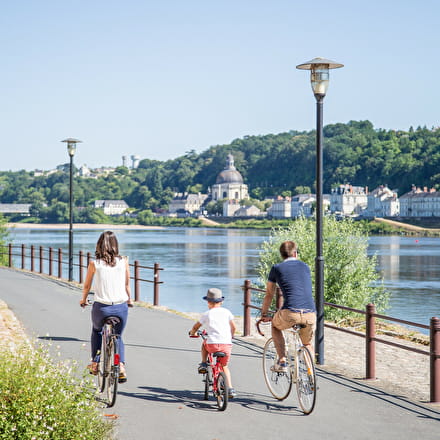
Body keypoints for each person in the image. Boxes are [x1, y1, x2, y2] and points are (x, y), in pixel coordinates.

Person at [80, 230, 133, 383]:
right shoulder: (123, 261)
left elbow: (87, 286)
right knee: (118, 336)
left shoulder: (94, 264)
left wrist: (83, 299)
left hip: (101, 308)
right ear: (116, 245)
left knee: (97, 331)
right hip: (120, 307)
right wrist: (129, 300)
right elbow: (127, 285)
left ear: (99, 246)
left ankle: (95, 363)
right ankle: (121, 366)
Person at [260, 240, 316, 372]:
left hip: (290, 312)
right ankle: (311, 373)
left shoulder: (276, 268)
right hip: (310, 313)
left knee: (275, 326)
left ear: (282, 255)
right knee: (307, 343)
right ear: (295, 253)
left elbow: (269, 294)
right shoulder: (305, 266)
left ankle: (282, 361)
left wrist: (264, 314)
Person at [189, 288, 237, 398]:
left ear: (208, 302)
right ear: (221, 301)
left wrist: (193, 332)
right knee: (224, 366)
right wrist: (231, 335)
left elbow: (196, 326)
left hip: (212, 344)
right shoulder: (227, 312)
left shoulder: (207, 314)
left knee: (204, 344)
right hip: (226, 345)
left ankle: (204, 363)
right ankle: (230, 389)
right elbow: (233, 327)